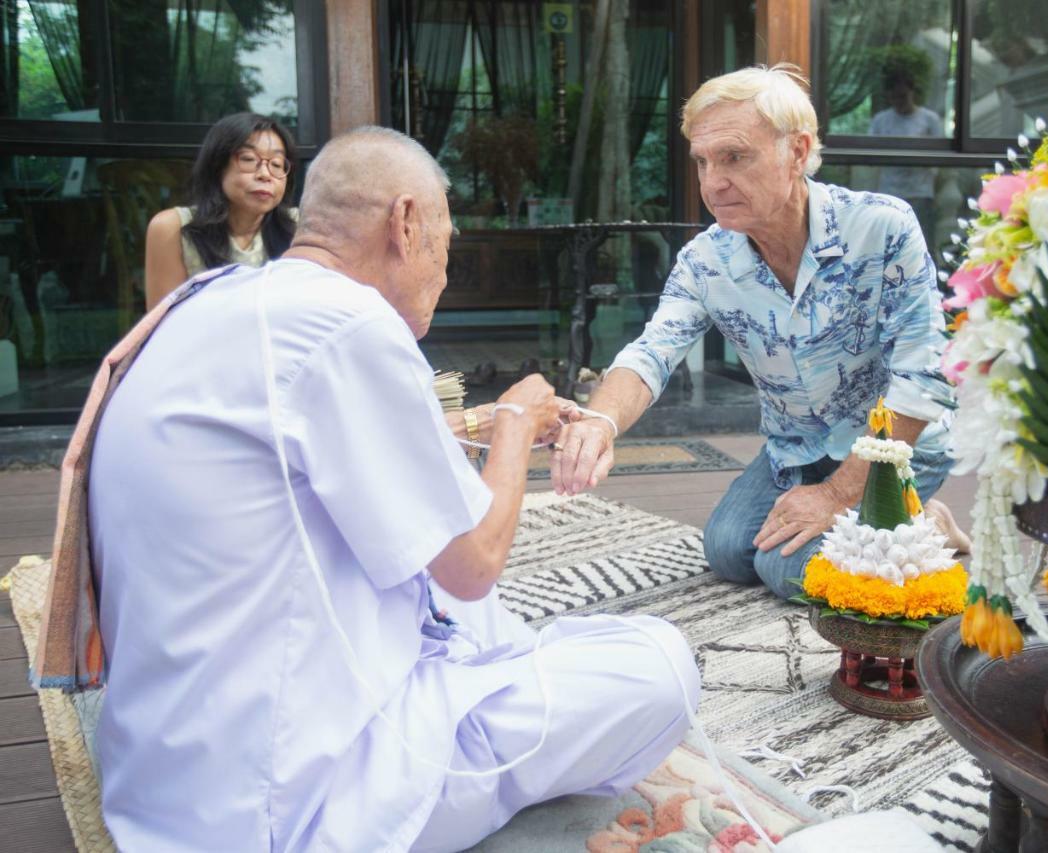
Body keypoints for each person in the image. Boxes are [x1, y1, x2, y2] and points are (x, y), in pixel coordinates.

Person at [87, 126, 699, 852]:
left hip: (162, 769)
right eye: (447, 239)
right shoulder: (348, 326)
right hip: (291, 805)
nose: (444, 264)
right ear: (406, 223)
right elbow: (471, 565)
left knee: (458, 608)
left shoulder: (210, 303)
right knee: (659, 664)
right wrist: (511, 424)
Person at [552, 64, 969, 601]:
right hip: (795, 449)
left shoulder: (882, 227)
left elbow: (925, 373)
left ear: (797, 152)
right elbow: (653, 350)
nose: (712, 183)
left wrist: (839, 494)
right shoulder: (707, 259)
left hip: (893, 449)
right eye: (702, 161)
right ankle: (918, 521)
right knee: (727, 550)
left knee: (786, 570)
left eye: (734, 157)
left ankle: (926, 531)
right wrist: (600, 421)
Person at [143, 112, 299, 309]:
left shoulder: (300, 226)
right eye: (249, 159)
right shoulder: (172, 227)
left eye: (277, 164)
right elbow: (162, 326)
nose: (265, 174)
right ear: (217, 166)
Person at [868, 46, 944, 248]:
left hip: (920, 193)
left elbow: (941, 159)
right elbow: (870, 156)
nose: (899, 102)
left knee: (922, 245)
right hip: (889, 192)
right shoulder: (880, 121)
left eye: (903, 96)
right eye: (895, 97)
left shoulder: (929, 120)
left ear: (912, 93)